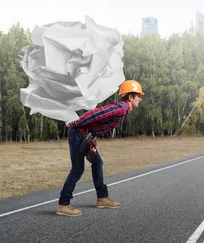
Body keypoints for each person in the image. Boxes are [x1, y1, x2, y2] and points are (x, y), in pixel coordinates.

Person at [56, 80, 144, 216]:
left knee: (98, 163)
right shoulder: (121, 108)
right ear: (130, 97)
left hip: (86, 136)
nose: (140, 98)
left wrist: (92, 137)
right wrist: (75, 123)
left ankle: (102, 198)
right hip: (79, 134)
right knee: (78, 169)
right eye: (138, 95)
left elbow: (98, 123)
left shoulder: (123, 109)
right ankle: (63, 204)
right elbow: (95, 114)